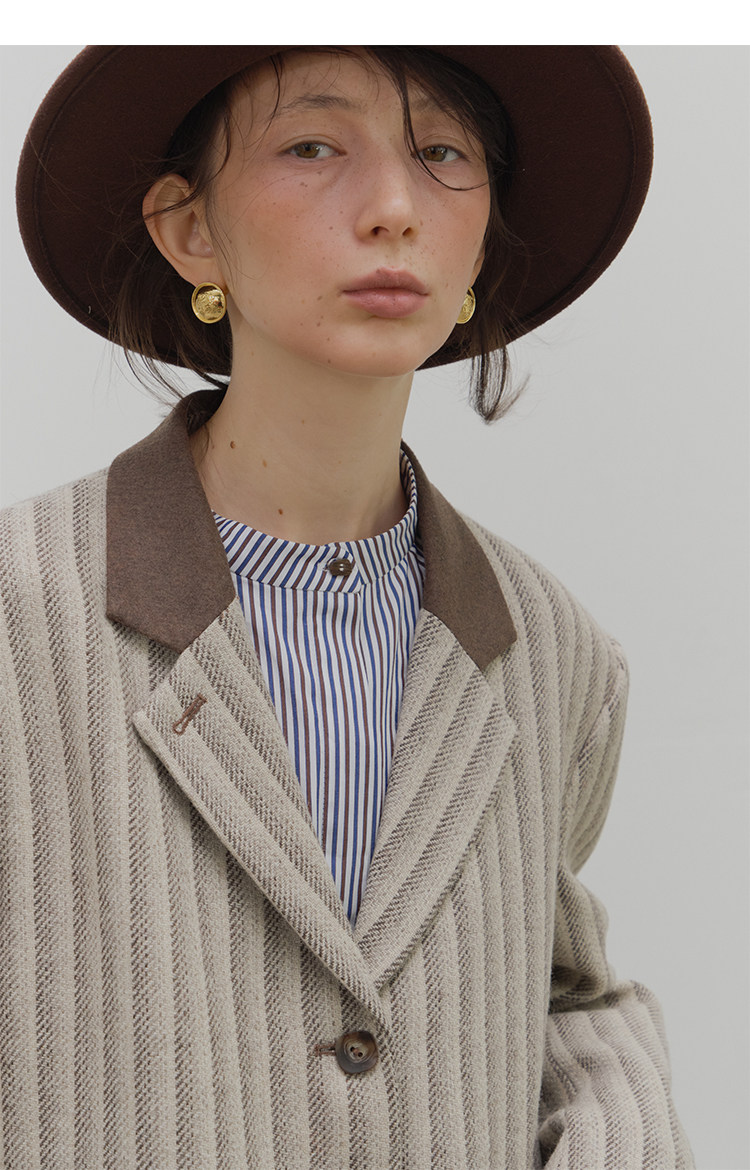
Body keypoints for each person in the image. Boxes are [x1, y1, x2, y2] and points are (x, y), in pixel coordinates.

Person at [1, 45, 694, 1169]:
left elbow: (557, 993)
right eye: (313, 145)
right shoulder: (21, 613)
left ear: (482, 241)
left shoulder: (552, 652)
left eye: (443, 154)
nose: (393, 209)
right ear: (189, 228)